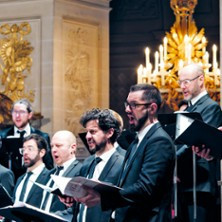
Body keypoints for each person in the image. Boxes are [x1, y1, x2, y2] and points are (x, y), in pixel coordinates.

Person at [74, 84, 175, 221]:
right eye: (127, 104)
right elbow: (126, 184)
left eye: (134, 105)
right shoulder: (135, 142)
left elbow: (145, 188)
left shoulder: (159, 140)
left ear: (152, 108)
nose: (127, 110)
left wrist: (103, 197)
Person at [176, 63, 222, 222]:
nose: (182, 86)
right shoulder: (189, 109)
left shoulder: (211, 107)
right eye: (180, 82)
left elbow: (193, 141)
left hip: (200, 185)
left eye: (186, 81)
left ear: (201, 80)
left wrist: (170, 161)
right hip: (185, 183)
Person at [70, 108, 125, 222]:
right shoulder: (87, 162)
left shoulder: (123, 162)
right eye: (87, 132)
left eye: (93, 131)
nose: (87, 137)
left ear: (110, 132)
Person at [0, 99, 53, 180]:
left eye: (21, 112)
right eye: (15, 112)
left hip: (33, 181)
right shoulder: (2, 135)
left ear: (29, 115)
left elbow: (48, 166)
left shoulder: (42, 136)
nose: (17, 116)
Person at [40, 130, 82, 221]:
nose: (54, 150)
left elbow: (77, 208)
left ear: (72, 148)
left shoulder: (81, 171)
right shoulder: (50, 173)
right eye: (52, 146)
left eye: (58, 146)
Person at [13, 134, 50, 208]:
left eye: (30, 149)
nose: (25, 153)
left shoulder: (49, 178)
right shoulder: (20, 179)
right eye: (23, 149)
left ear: (42, 152)